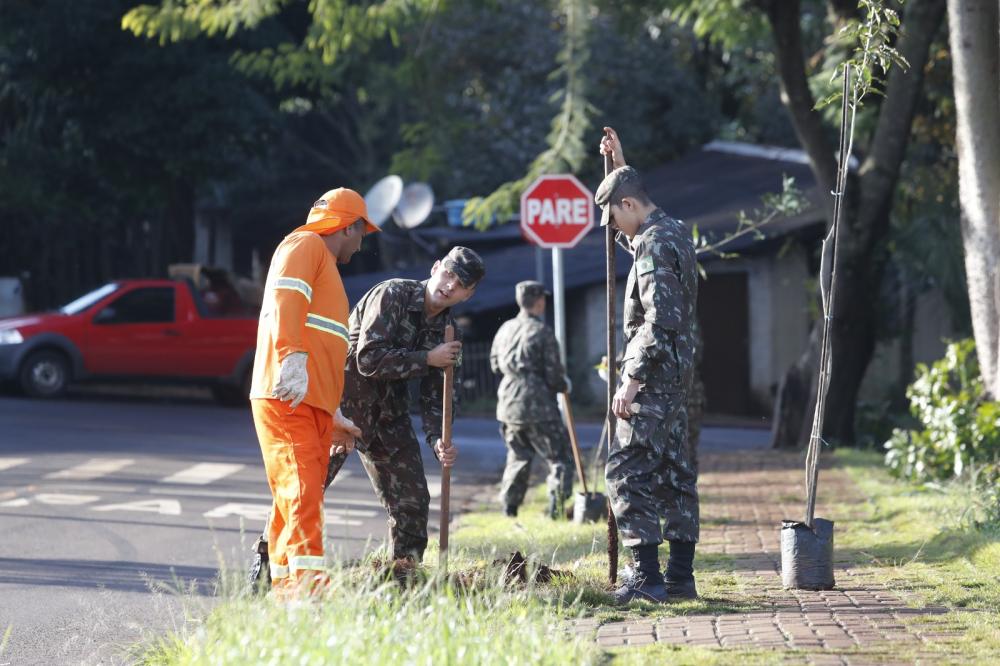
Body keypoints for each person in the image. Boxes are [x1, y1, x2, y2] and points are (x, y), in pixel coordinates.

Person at [249, 187, 376, 597]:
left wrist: (333, 411)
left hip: (311, 403)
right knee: (302, 494)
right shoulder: (305, 244)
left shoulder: (323, 265)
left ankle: (286, 590)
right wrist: (290, 357)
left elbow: (324, 343)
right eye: (362, 233)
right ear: (348, 225)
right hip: (289, 398)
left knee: (294, 498)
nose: (361, 243)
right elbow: (287, 299)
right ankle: (308, 591)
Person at [324, 246, 486, 562]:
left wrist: (438, 437)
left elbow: (439, 390)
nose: (450, 285)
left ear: (468, 295)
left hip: (388, 416)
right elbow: (368, 359)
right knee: (306, 489)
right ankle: (267, 566)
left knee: (412, 500)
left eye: (461, 284)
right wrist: (427, 357)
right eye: (449, 274)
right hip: (340, 409)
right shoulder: (393, 294)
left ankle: (404, 581)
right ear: (436, 267)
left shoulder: (449, 331)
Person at [596, 127, 700, 604]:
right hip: (677, 379)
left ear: (630, 206)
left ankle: (646, 577)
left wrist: (632, 380)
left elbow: (660, 318)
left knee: (626, 470)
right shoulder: (673, 231)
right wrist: (619, 164)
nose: (616, 229)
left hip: (654, 377)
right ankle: (680, 577)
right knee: (676, 472)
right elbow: (635, 243)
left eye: (615, 218)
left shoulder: (655, 244)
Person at [490, 280, 574, 519]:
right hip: (539, 407)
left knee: (518, 456)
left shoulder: (505, 328)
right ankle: (555, 510)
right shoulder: (542, 332)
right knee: (560, 458)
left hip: (508, 405)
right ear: (539, 302)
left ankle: (509, 509)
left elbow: (495, 365)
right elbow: (555, 375)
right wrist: (563, 385)